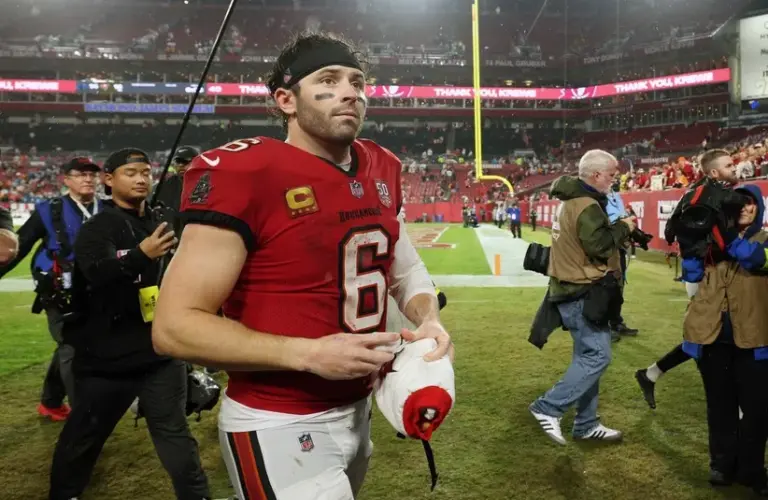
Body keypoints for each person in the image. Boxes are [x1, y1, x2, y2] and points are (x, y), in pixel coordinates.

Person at [152, 32, 453, 500]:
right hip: (277, 418)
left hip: (359, 408)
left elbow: (403, 265)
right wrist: (307, 353)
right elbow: (174, 328)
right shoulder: (246, 172)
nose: (350, 91)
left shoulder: (381, 165)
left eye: (357, 82)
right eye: (328, 81)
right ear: (286, 100)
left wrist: (428, 318)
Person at [48, 148, 211, 500]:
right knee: (85, 436)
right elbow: (95, 275)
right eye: (130, 172)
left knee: (174, 433)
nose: (140, 178)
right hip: (107, 358)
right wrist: (141, 255)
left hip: (159, 350)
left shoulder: (156, 222)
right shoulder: (99, 227)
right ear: (109, 180)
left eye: (145, 172)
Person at [528, 149, 635, 445]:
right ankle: (548, 407)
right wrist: (624, 226)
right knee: (598, 356)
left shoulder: (570, 201)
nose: (615, 181)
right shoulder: (587, 204)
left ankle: (586, 424)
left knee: (587, 358)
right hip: (582, 291)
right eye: (612, 175)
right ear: (597, 174)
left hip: (570, 288)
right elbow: (599, 246)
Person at [635, 149, 739, 410]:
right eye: (729, 165)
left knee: (713, 335)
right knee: (715, 336)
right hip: (707, 274)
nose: (734, 168)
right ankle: (733, 403)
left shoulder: (702, 192)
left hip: (711, 272)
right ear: (714, 172)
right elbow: (686, 232)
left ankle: (651, 374)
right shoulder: (705, 195)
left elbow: (673, 229)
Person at [682, 184, 768, 496]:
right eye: (738, 204)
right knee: (720, 408)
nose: (745, 208)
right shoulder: (710, 241)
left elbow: (754, 260)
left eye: (751, 204)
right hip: (712, 338)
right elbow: (691, 276)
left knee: (758, 412)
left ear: (759, 209)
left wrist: (724, 236)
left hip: (756, 340)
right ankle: (721, 465)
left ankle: (751, 469)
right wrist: (689, 245)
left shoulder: (764, 240)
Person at [0, 157, 102, 420]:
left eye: (92, 174)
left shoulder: (107, 208)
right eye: (80, 174)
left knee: (72, 345)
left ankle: (51, 402)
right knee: (72, 346)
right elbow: (18, 249)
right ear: (66, 179)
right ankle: (83, 415)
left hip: (98, 290)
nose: (88, 179)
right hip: (59, 291)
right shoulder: (48, 210)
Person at [605, 184, 639, 341]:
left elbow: (621, 215)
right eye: (610, 174)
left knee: (619, 284)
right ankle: (604, 326)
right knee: (607, 285)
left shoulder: (614, 194)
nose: (613, 179)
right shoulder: (596, 195)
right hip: (607, 245)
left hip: (620, 244)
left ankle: (616, 321)